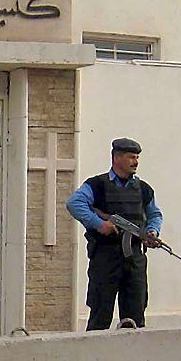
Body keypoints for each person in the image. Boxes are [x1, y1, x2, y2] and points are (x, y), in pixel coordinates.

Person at [66, 138, 163, 331]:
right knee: (100, 315)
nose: (135, 162)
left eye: (137, 157)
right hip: (105, 256)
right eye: (130, 157)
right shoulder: (97, 185)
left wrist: (152, 231)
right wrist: (99, 224)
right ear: (116, 158)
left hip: (134, 257)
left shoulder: (143, 189)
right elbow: (74, 203)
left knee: (134, 316)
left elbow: (154, 214)